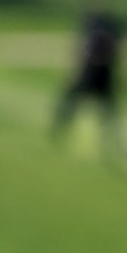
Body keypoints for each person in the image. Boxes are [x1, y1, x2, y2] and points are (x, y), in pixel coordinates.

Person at [51, 9, 119, 150]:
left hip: (92, 75)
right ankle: (109, 139)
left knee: (100, 109)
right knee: (104, 110)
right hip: (99, 76)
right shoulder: (108, 33)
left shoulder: (94, 34)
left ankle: (60, 129)